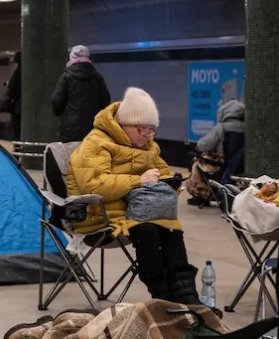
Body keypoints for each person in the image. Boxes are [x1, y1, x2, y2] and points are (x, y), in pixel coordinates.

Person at [68, 87, 200, 305]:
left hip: (138, 210)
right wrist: (140, 180)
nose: (148, 135)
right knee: (147, 230)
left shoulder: (149, 146)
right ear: (124, 125)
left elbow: (162, 174)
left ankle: (188, 299)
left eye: (151, 129)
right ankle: (164, 300)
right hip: (98, 216)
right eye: (142, 129)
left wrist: (170, 185)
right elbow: (93, 185)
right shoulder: (96, 143)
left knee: (171, 227)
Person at [51, 45, 111, 142]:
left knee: (70, 155)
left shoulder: (66, 76)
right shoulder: (96, 76)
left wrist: (62, 114)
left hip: (70, 129)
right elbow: (106, 100)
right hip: (92, 127)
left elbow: (56, 100)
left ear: (71, 57)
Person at [0, 52, 22, 141]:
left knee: (16, 132)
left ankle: (17, 151)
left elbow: (12, 88)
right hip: (21, 107)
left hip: (18, 108)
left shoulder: (18, 72)